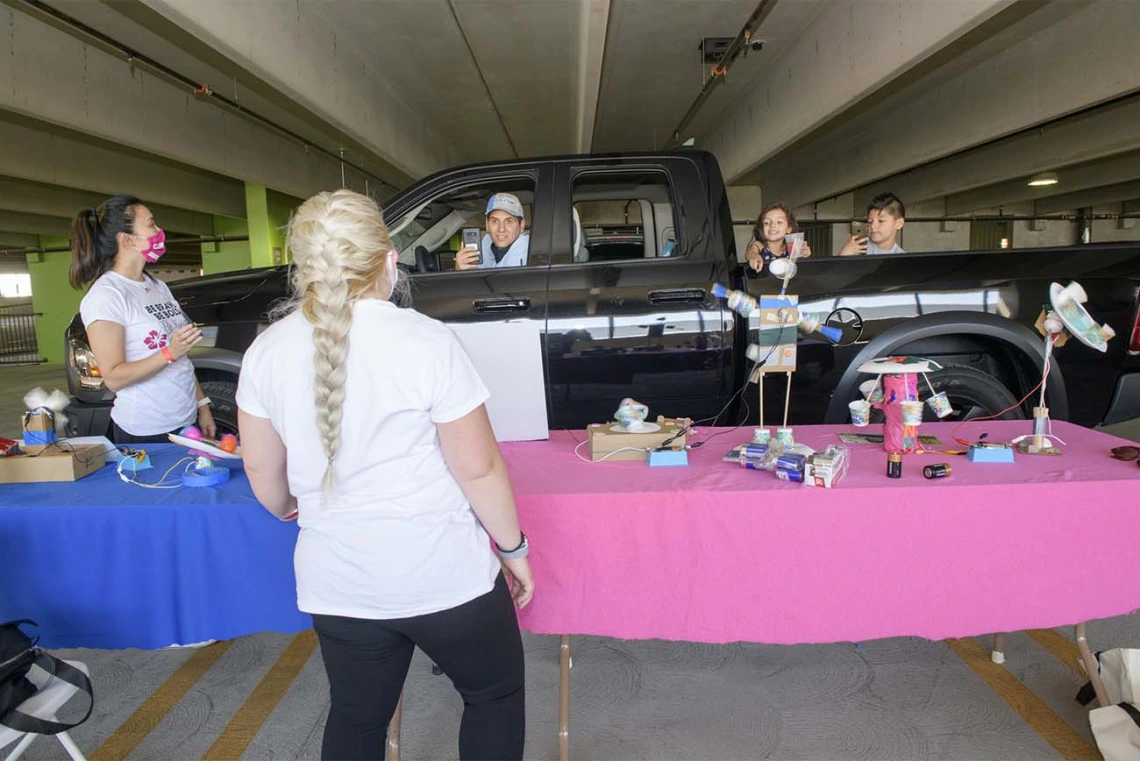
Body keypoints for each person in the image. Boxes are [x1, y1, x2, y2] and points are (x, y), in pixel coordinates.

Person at [235, 189, 534, 761]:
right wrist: (513, 547)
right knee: (493, 696)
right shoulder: (427, 340)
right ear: (390, 260)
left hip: (340, 583)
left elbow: (262, 473)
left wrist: (285, 508)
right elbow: (478, 468)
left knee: (356, 716)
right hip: (444, 577)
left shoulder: (265, 352)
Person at [69, 195, 214, 444]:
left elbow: (182, 356)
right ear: (127, 240)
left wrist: (202, 405)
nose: (160, 231)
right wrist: (169, 352)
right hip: (146, 430)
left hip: (184, 421)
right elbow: (113, 377)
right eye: (151, 224)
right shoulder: (106, 296)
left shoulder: (157, 286)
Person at [456, 192, 530, 270]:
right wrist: (460, 270)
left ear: (521, 225)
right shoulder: (487, 242)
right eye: (495, 221)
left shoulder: (527, 249)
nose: (501, 229)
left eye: (509, 221)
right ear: (487, 225)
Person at [744, 203, 812, 275]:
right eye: (766, 223)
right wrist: (754, 257)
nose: (772, 225)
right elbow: (751, 252)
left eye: (779, 222)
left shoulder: (792, 249)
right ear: (761, 228)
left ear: (789, 229)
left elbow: (801, 268)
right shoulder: (759, 245)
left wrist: (805, 253)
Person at [838, 192, 907, 256]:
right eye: (870, 221)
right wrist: (842, 256)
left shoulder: (903, 259)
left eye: (881, 221)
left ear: (899, 224)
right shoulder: (856, 249)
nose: (873, 226)